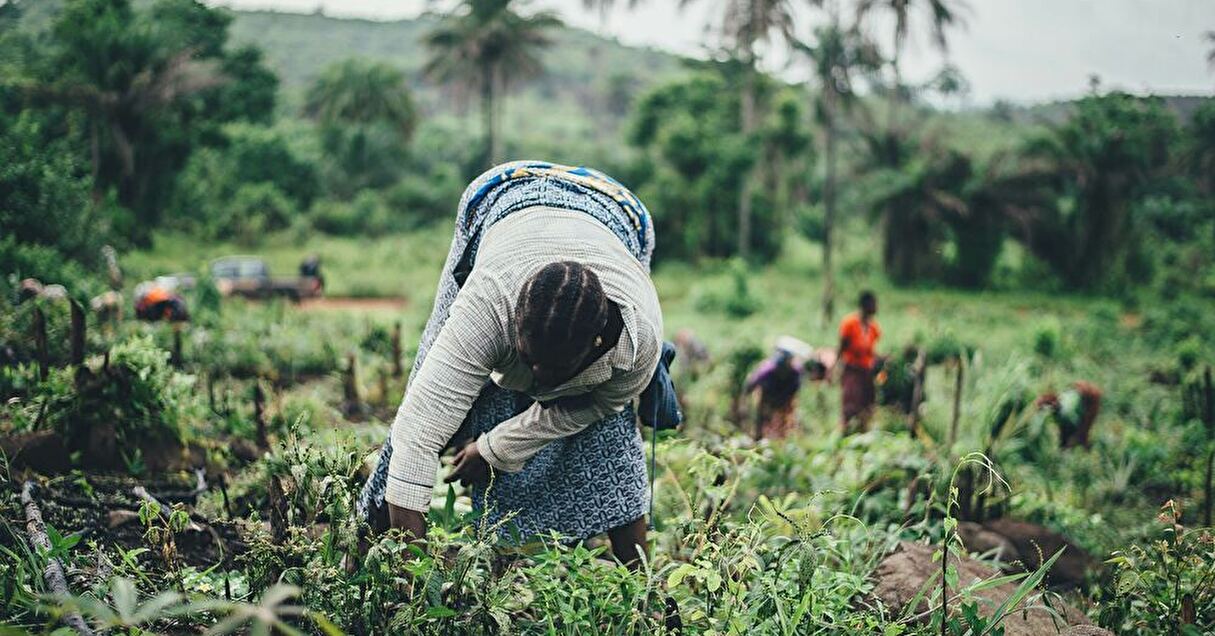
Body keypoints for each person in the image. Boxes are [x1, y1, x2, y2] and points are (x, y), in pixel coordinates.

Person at [359, 161, 675, 566]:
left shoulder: (636, 343)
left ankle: (640, 581)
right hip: (503, 196)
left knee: (610, 435)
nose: (537, 380)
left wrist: (495, 448)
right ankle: (370, 542)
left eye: (553, 371)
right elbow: (418, 433)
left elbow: (595, 407)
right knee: (427, 392)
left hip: (619, 213)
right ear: (514, 323)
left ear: (596, 345)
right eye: (529, 361)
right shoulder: (489, 305)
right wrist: (412, 573)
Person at [835, 291, 881, 433]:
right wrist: (836, 367)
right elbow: (841, 347)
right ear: (865, 305)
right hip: (852, 369)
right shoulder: (849, 323)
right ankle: (845, 432)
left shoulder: (873, 328)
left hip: (866, 371)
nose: (876, 307)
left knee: (867, 405)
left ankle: (863, 432)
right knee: (850, 405)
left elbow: (871, 351)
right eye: (873, 304)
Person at [744, 347, 804, 439]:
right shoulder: (767, 370)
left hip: (785, 398)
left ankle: (783, 438)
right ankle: (758, 438)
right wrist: (746, 396)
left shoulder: (796, 371)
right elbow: (753, 382)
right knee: (762, 418)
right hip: (767, 397)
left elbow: (796, 388)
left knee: (785, 421)